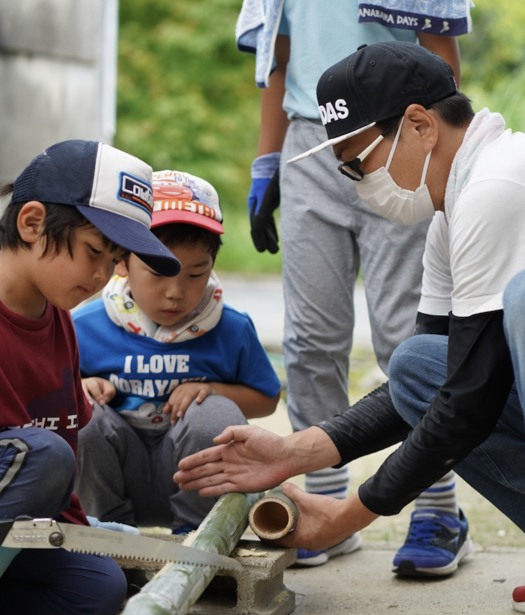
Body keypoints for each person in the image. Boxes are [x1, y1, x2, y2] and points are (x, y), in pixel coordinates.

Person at [175, 41, 525, 615]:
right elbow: (435, 385)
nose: (356, 183)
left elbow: (468, 401)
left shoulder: (501, 187)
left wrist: (350, 515)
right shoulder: (454, 213)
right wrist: (295, 451)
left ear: (420, 125)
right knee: (418, 363)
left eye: (357, 162)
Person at [237, 0, 472, 573]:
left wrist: (439, 150)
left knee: (405, 337)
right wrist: (267, 160)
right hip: (309, 145)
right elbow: (278, 54)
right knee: (313, 334)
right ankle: (322, 500)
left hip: (395, 134)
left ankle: (438, 508)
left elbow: (440, 51)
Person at [0, 140, 181, 614]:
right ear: (32, 222)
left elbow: (54, 464)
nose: (103, 275)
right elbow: (39, 461)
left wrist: (89, 532)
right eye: (94, 250)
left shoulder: (59, 316)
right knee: (42, 455)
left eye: (114, 260)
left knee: (97, 586)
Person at [73, 171, 281, 535]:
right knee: (78, 411)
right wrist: (83, 385)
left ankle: (200, 539)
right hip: (118, 478)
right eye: (158, 273)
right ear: (120, 262)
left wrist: (216, 391)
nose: (176, 292)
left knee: (213, 413)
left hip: (192, 481)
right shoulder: (84, 325)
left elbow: (266, 399)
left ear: (212, 266)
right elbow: (44, 394)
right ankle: (108, 542)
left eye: (196, 274)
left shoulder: (230, 327)